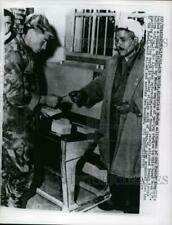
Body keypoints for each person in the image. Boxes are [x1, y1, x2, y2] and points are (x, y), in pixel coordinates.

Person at [69, 18, 145, 213]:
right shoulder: (113, 62)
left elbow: (158, 95)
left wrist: (135, 106)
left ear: (136, 40)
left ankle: (133, 204)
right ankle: (115, 197)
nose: (117, 44)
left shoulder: (148, 63)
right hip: (112, 117)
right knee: (111, 158)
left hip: (133, 122)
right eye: (116, 40)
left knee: (130, 164)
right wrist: (84, 94)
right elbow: (101, 84)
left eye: (122, 40)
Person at [1, 13, 61, 208]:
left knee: (22, 172)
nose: (44, 48)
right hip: (12, 128)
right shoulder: (13, 53)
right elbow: (12, 93)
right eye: (43, 42)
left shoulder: (26, 53)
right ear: (33, 32)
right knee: (19, 173)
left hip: (23, 123)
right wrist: (43, 100)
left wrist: (39, 106)